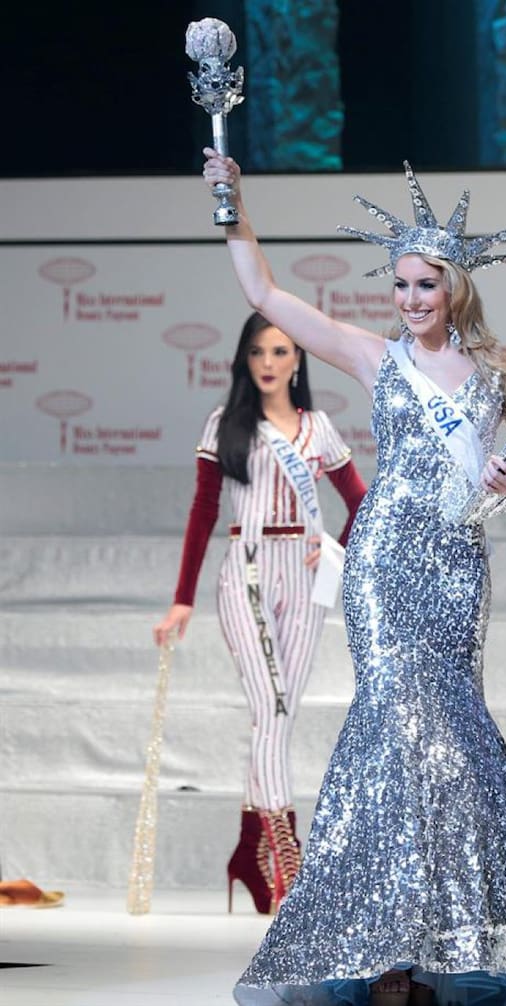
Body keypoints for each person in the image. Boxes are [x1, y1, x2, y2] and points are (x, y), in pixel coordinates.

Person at [203, 148, 506, 1006]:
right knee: (389, 741)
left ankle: (448, 948)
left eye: (427, 285)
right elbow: (264, 292)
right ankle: (380, 954)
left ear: (455, 288)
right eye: (402, 285)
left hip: (457, 570)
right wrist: (232, 204)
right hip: (384, 567)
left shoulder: (502, 371)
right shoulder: (377, 358)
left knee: (457, 751)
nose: (412, 299)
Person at [154, 311, 366, 915]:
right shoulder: (225, 424)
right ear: (244, 360)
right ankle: (286, 853)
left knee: (278, 719)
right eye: (257, 352)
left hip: (303, 579)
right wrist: (183, 597)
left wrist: (334, 551)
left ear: (298, 360)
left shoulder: (318, 428)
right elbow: (203, 510)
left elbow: (362, 502)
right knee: (271, 711)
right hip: (245, 570)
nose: (268, 363)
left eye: (279, 351)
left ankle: (249, 852)